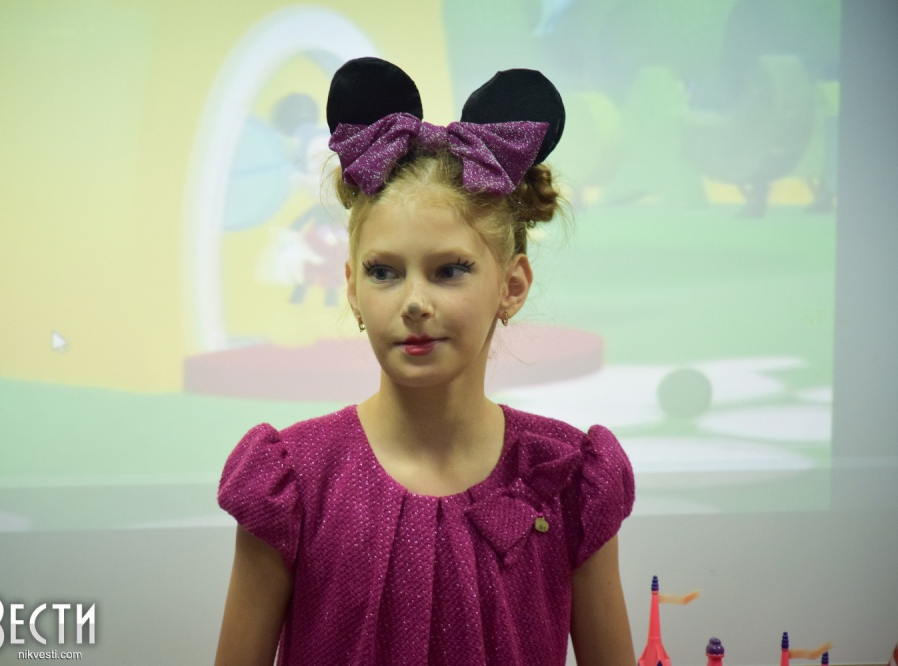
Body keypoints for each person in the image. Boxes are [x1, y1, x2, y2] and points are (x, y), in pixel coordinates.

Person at [214, 57, 636, 666]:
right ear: (352, 289)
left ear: (512, 286)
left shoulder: (569, 478)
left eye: (450, 270)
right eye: (384, 272)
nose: (414, 302)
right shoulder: (294, 482)